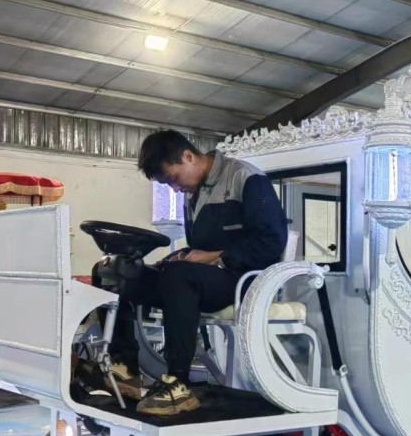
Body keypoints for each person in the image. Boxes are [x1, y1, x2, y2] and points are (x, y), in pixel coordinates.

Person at [87, 130, 287, 417]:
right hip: (201, 278)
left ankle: (178, 382)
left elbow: (271, 242)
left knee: (180, 276)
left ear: (188, 156)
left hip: (244, 280)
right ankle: (125, 365)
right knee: (113, 270)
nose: (174, 188)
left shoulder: (245, 178)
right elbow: (197, 247)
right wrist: (175, 258)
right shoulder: (193, 192)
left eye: (173, 179)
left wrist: (216, 257)